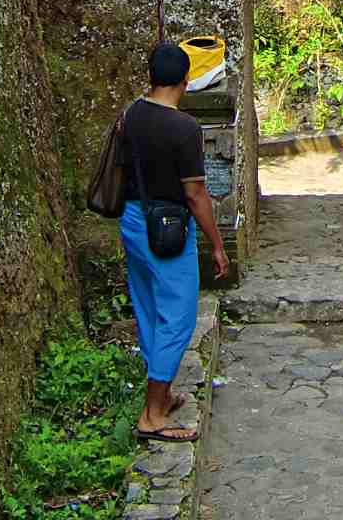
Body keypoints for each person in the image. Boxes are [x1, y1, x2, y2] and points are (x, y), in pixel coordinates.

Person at [121, 42, 229, 443]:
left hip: (134, 219)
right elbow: (196, 194)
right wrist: (216, 244)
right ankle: (152, 415)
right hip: (167, 227)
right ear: (187, 80)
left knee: (149, 309)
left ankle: (162, 396)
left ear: (150, 77)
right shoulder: (183, 127)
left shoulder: (132, 113)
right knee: (179, 318)